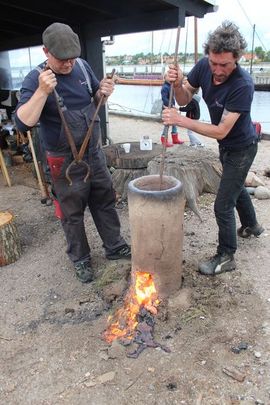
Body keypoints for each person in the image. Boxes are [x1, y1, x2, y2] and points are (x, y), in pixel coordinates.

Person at [15, 22, 131, 284]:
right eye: (62, 59)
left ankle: (114, 246)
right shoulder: (35, 79)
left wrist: (103, 92)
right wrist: (43, 92)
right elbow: (24, 122)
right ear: (46, 51)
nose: (68, 64)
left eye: (72, 58)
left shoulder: (81, 67)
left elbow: (94, 95)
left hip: (92, 151)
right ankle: (81, 259)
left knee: (104, 200)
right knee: (71, 212)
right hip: (62, 159)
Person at [162, 21, 264, 276]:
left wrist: (180, 120)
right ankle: (252, 226)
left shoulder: (243, 84)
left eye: (224, 65)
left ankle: (226, 255)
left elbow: (220, 130)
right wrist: (176, 83)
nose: (217, 71)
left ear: (237, 59)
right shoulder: (203, 67)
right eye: (214, 63)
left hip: (242, 147)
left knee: (222, 204)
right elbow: (184, 98)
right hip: (227, 147)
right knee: (236, 187)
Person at [160, 73, 184, 147]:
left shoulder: (171, 86)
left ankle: (175, 139)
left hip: (172, 107)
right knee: (167, 124)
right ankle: (164, 140)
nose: (170, 77)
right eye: (168, 76)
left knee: (174, 123)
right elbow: (164, 99)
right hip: (167, 107)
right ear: (165, 77)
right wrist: (171, 106)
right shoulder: (164, 87)